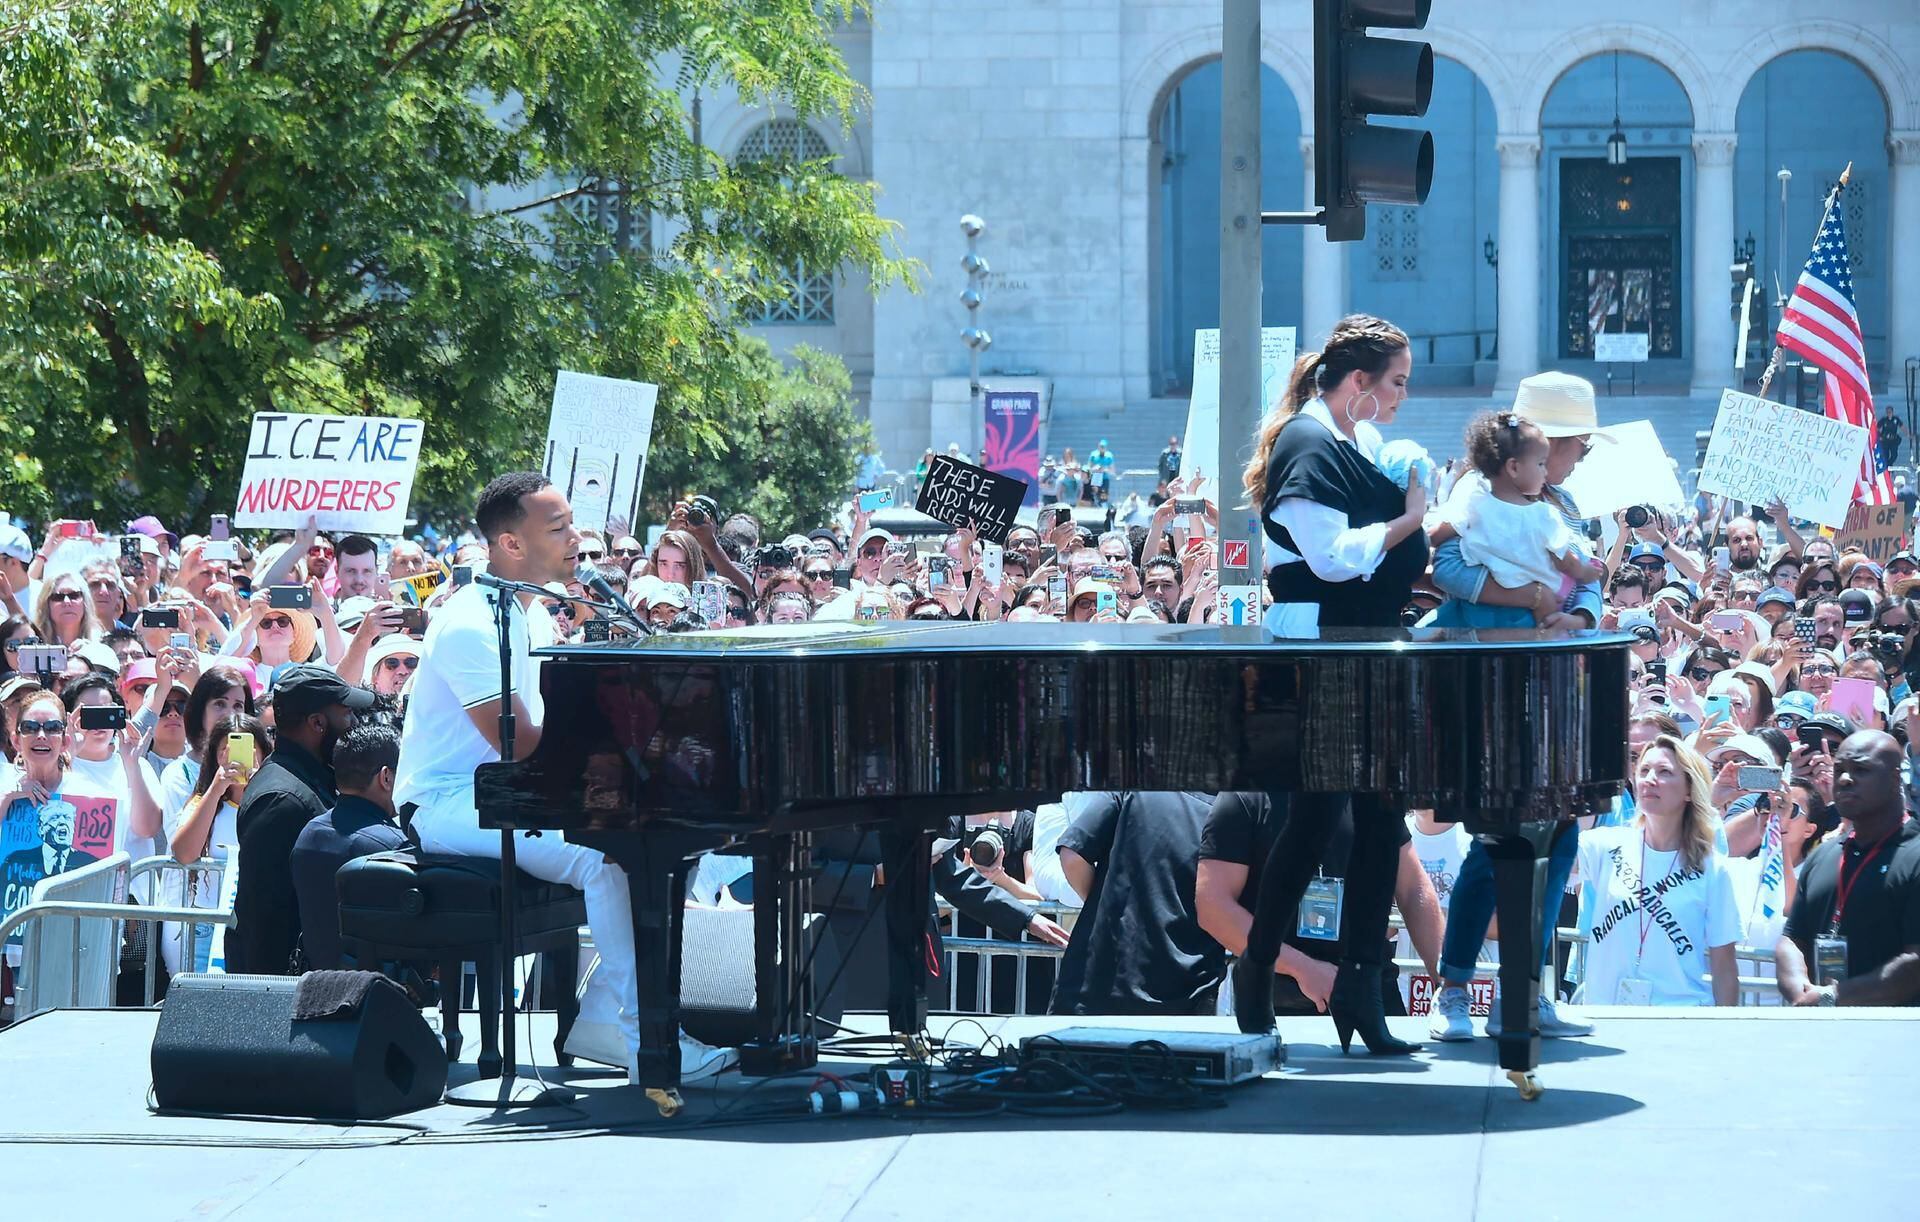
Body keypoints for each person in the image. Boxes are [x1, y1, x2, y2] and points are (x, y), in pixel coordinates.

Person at [394, 471, 735, 1083]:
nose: (577, 537)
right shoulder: (472, 623)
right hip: (449, 804)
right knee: (603, 858)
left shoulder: (535, 616)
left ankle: (616, 1019)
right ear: (511, 545)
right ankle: (644, 1043)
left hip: (514, 793)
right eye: (558, 528)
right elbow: (519, 743)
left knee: (665, 849)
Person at [1231, 314, 1427, 1052]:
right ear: (1357, 385)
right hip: (1327, 656)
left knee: (1381, 823)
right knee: (1314, 822)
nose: (1402, 398)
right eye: (1397, 383)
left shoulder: (1354, 439)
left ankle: (1359, 985)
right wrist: (1412, 520)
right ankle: (1257, 970)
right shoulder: (1306, 443)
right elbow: (1336, 557)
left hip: (1370, 648)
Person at [1574, 735, 1740, 1006]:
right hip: (1607, 1019)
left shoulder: (1713, 869)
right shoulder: (1604, 845)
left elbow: (1724, 966)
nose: (1650, 779)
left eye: (1664, 772)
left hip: (1679, 1020)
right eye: (1643, 770)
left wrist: (1726, 1036)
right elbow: (1551, 858)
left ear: (1689, 789)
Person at [229, 665, 372, 974]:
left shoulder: (308, 779)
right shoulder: (282, 799)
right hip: (286, 993)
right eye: (347, 713)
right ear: (317, 723)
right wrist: (273, 1001)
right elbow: (264, 919)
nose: (355, 723)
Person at [1775, 730, 1920, 1006]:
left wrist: (1832, 997)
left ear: (1894, 778)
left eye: (1861, 770)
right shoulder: (1823, 855)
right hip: (1823, 1035)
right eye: (1840, 769)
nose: (1844, 779)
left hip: (1899, 1039)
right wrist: (1800, 989)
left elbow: (1915, 965)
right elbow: (1792, 938)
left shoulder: (1915, 855)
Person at [1049, 791, 1225, 1015]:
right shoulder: (1230, 814)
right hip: (1183, 998)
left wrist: (1100, 905)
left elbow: (1072, 855)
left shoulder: (1130, 790)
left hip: (1092, 989)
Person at [1423, 411, 1604, 628]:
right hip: (1487, 630)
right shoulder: (1478, 491)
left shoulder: (1563, 501)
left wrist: (1581, 618)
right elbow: (1448, 569)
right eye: (1584, 447)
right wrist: (1535, 596)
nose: (1581, 459)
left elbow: (1583, 570)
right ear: (1552, 442)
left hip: (1543, 630)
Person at [291, 720, 411, 972]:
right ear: (386, 777)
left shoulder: (308, 834)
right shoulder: (395, 847)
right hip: (380, 997)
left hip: (314, 994)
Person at [168, 713, 271, 972]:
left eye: (248, 750)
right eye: (226, 751)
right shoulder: (204, 802)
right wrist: (216, 788)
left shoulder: (273, 802)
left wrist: (258, 784)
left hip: (252, 923)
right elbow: (183, 853)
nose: (235, 758)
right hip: (207, 923)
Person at [333, 535, 382, 603]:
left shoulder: (394, 612)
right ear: (337, 571)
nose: (359, 580)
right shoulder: (322, 612)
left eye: (367, 571)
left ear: (377, 572)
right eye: (351, 571)